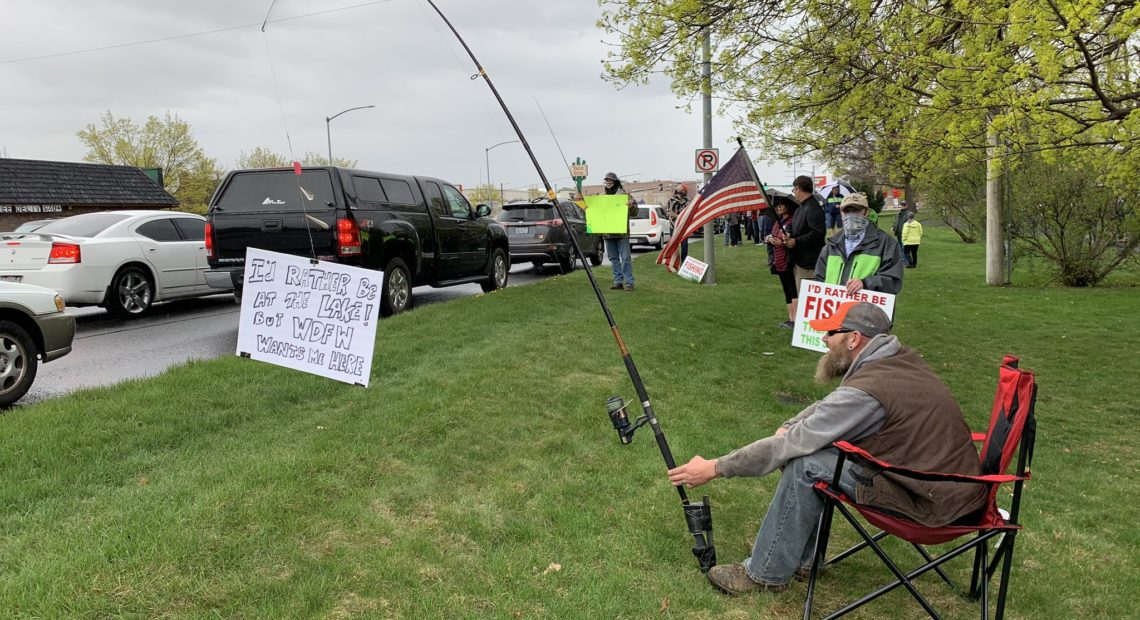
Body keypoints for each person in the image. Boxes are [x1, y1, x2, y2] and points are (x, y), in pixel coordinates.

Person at [667, 302, 988, 596]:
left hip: (933, 502)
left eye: (831, 332)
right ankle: (803, 561)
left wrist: (715, 467)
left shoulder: (869, 390)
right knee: (812, 453)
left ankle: (765, 574)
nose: (824, 339)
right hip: (940, 485)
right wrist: (792, 425)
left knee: (806, 464)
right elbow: (827, 408)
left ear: (854, 340)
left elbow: (798, 440)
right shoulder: (893, 360)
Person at [815, 193, 904, 295]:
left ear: (866, 212)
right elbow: (819, 279)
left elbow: (893, 280)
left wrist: (865, 283)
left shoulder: (887, 244)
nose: (851, 215)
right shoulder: (831, 245)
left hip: (867, 309)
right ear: (841, 213)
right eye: (847, 211)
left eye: (856, 210)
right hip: (835, 308)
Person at [784, 175, 827, 310]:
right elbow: (792, 225)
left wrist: (796, 242)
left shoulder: (814, 208)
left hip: (809, 264)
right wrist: (788, 232)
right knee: (800, 296)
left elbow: (818, 234)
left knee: (808, 301)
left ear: (799, 189)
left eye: (794, 189)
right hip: (798, 261)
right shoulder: (800, 208)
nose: (794, 192)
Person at [601, 172, 638, 291]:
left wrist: (631, 206)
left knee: (625, 257)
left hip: (622, 233)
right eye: (606, 180)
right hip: (608, 233)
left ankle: (629, 283)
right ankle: (618, 281)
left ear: (616, 181)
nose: (608, 182)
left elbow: (635, 212)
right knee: (613, 259)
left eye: (610, 180)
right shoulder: (602, 197)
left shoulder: (625, 196)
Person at [763, 199, 797, 328]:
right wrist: (769, 238)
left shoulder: (791, 222)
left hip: (788, 260)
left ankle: (795, 320)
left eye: (781, 205)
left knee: (792, 289)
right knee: (786, 290)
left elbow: (789, 238)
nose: (779, 207)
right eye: (777, 205)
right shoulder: (778, 222)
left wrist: (781, 242)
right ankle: (790, 318)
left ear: (788, 207)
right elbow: (773, 235)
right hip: (779, 261)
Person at [666, 184, 690, 263]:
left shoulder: (687, 200)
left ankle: (683, 261)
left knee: (685, 245)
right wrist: (680, 216)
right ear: (679, 191)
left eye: (686, 191)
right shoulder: (671, 200)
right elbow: (669, 213)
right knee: (673, 245)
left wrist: (677, 215)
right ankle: (673, 262)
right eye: (684, 190)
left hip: (683, 226)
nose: (686, 192)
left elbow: (688, 213)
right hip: (674, 226)